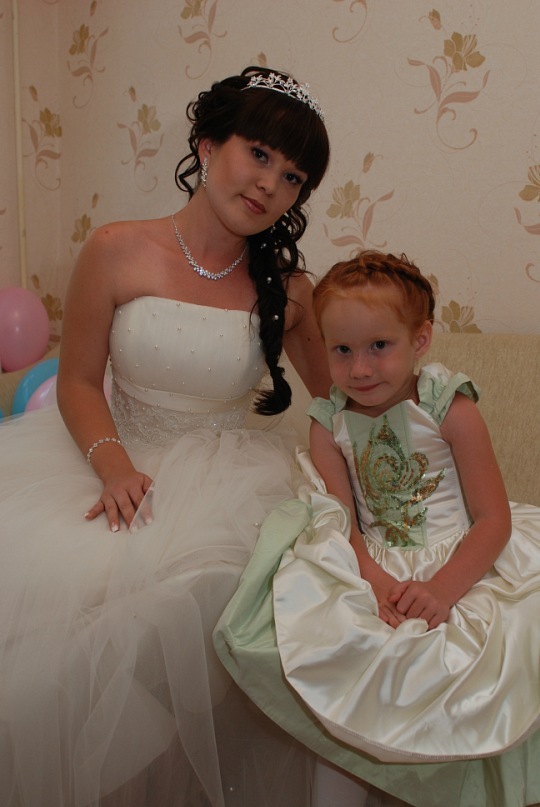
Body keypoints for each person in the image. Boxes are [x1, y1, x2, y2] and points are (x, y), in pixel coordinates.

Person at [0, 66, 332, 806]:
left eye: (292, 176)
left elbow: (342, 402)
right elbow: (78, 381)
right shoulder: (115, 248)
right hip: (111, 461)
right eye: (258, 153)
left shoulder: (292, 290)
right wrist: (114, 466)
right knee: (70, 631)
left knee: (207, 596)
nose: (270, 184)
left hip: (230, 485)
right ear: (208, 145)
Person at [214, 250, 540, 806]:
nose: (359, 369)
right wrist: (373, 581)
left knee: (486, 660)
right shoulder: (328, 423)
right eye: (341, 350)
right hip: (374, 565)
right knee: (346, 673)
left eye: (379, 346)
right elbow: (343, 521)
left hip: (465, 565)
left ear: (421, 340)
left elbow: (494, 519)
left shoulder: (450, 407)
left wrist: (442, 590)